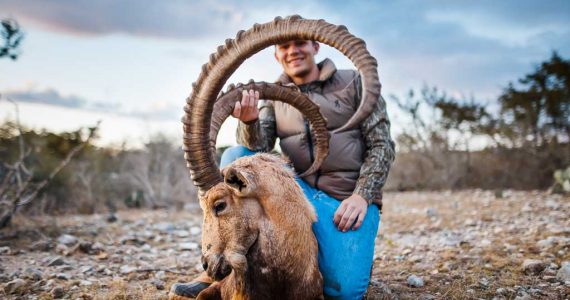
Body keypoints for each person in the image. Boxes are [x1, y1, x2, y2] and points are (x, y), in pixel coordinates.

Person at [170, 40, 395, 299]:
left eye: (300, 44)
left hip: (347, 201)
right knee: (236, 155)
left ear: (315, 47)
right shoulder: (272, 96)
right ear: (276, 55)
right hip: (298, 194)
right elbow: (257, 148)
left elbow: (383, 146)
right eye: (284, 47)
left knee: (345, 291)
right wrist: (250, 122)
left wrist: (362, 195)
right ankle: (218, 271)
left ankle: (337, 254)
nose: (292, 51)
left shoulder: (354, 82)